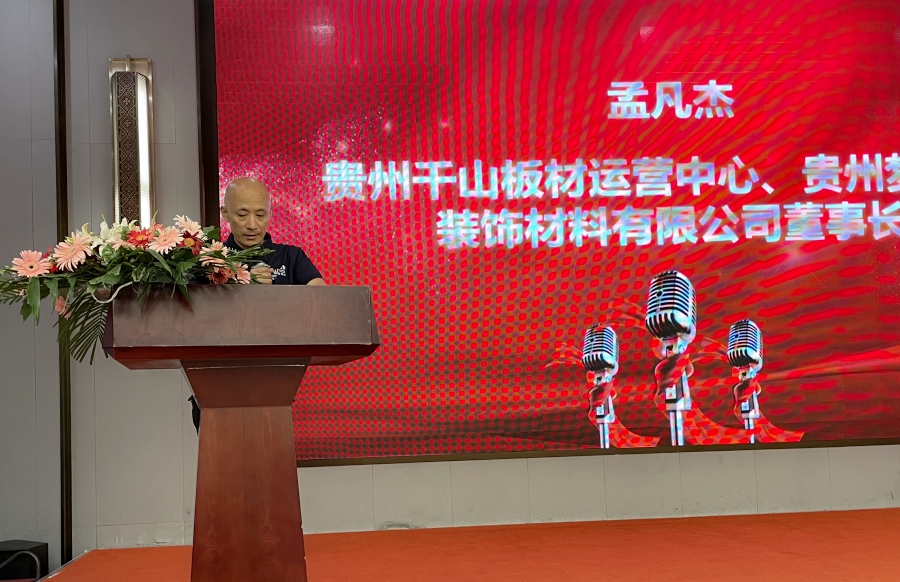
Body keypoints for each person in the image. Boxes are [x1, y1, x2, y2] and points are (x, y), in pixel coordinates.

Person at [189, 177, 326, 432]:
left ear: (270, 214)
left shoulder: (291, 256)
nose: (252, 225)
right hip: (218, 384)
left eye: (260, 215)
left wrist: (271, 295)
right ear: (225, 213)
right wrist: (244, 288)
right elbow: (195, 317)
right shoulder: (210, 260)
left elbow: (320, 298)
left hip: (274, 383)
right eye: (242, 215)